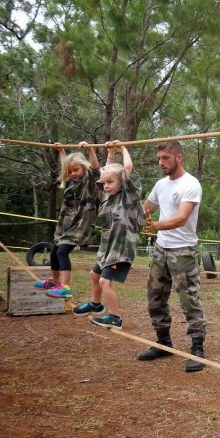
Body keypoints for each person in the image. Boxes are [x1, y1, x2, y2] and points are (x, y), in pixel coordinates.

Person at [137, 141, 208, 373]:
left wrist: (155, 225)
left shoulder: (191, 184)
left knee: (189, 300)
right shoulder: (160, 185)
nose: (160, 162)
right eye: (159, 158)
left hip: (183, 251)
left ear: (178, 157)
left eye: (165, 158)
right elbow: (145, 209)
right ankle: (164, 343)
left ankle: (198, 348)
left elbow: (181, 218)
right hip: (161, 250)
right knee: (155, 298)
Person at [72, 141, 144, 330]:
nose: (105, 186)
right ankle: (96, 305)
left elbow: (126, 168)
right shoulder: (107, 197)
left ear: (122, 183)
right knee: (95, 274)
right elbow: (107, 172)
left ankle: (115, 317)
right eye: (104, 183)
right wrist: (110, 153)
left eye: (110, 183)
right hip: (107, 249)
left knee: (105, 281)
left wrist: (123, 149)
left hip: (121, 249)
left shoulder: (128, 196)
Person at [34, 142, 101, 299]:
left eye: (76, 170)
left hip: (81, 224)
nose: (73, 173)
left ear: (84, 168)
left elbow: (96, 168)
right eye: (70, 171)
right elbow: (66, 167)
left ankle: (65, 287)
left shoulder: (90, 183)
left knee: (63, 251)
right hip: (66, 223)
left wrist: (90, 149)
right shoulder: (71, 182)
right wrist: (61, 151)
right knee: (54, 253)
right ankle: (55, 282)